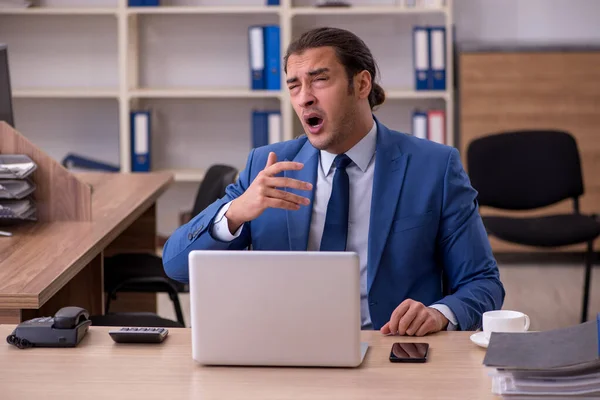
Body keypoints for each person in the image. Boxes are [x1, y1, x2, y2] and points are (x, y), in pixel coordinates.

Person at [162, 27, 505, 336]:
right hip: (286, 348)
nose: (304, 97)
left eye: (319, 80)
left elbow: (483, 284)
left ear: (361, 84)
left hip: (390, 349)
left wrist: (439, 313)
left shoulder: (434, 167)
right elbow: (176, 267)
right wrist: (235, 212)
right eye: (294, 85)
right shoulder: (269, 167)